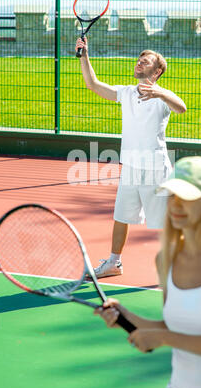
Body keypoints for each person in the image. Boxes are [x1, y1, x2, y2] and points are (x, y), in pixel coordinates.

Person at [95, 156, 201, 388]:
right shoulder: (165, 260)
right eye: (172, 196)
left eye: (187, 198)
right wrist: (126, 316)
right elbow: (174, 326)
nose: (176, 205)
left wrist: (162, 338)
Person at [75, 37, 187, 278]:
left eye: (144, 61)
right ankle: (114, 262)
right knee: (121, 216)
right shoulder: (126, 93)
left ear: (156, 72)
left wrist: (161, 93)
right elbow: (93, 84)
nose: (138, 63)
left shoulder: (162, 97)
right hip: (131, 168)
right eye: (139, 59)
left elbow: (182, 107)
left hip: (155, 169)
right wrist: (84, 55)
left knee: (164, 223)